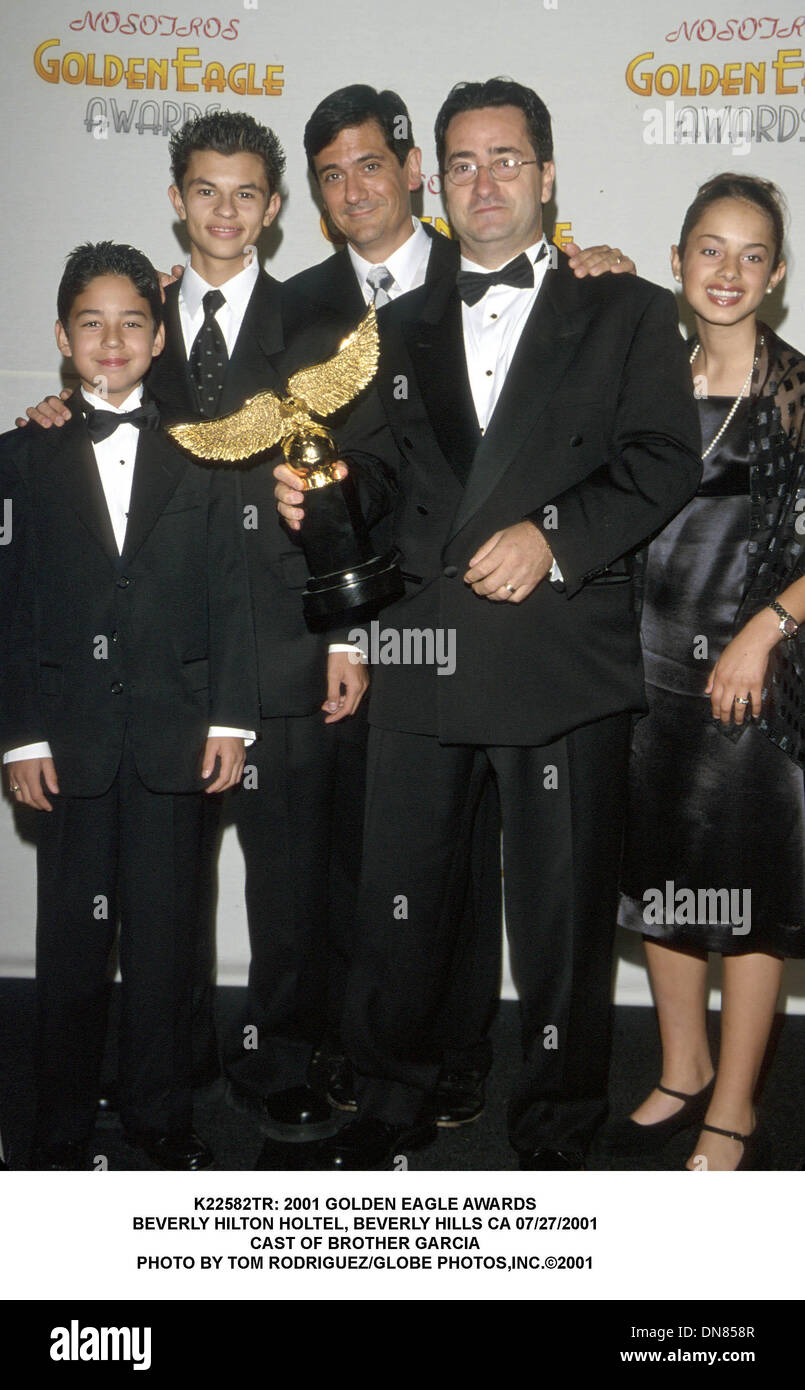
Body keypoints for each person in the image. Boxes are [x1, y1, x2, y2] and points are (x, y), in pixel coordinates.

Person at [275, 76, 702, 1171]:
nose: (483, 181)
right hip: (422, 651)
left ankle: (557, 1123)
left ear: (547, 177)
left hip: (559, 658)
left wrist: (552, 534)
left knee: (558, 928)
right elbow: (382, 472)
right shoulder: (399, 323)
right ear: (437, 181)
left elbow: (662, 458)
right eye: (462, 162)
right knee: (399, 904)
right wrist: (326, 498)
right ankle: (391, 1098)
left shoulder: (629, 309)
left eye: (506, 159)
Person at [0, 241, 258, 1169]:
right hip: (65, 741)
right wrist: (20, 733)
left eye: (133, 323)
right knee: (70, 947)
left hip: (174, 737)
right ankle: (56, 1129)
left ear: (159, 340)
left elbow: (232, 590)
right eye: (91, 324)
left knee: (165, 948)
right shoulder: (21, 456)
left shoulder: (204, 454)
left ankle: (160, 1120)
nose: (112, 341)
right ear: (63, 337)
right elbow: (11, 602)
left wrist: (229, 719)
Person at [607, 174, 805, 1171]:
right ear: (679, 259)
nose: (728, 271)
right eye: (709, 249)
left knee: (749, 897)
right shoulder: (647, 375)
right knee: (664, 879)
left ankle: (733, 1105)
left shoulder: (797, 391)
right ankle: (680, 1066)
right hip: (644, 676)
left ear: (775, 276)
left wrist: (762, 631)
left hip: (748, 683)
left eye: (752, 254)